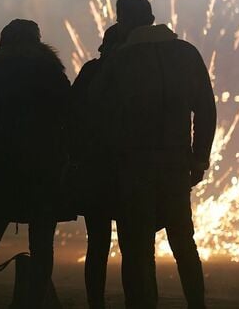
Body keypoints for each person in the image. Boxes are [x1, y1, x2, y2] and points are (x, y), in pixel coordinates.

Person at [89, 0, 216, 309]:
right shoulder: (186, 53)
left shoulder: (122, 60)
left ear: (124, 22)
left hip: (134, 167)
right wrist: (199, 157)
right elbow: (206, 109)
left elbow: (95, 108)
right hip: (176, 164)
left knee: (137, 249)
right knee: (184, 243)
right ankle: (197, 304)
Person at [0, 19, 72, 308]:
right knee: (43, 245)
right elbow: (70, 121)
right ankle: (33, 303)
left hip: (8, 168)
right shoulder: (52, 74)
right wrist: (61, 158)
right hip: (45, 169)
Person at [67, 18, 138, 309]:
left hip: (94, 170)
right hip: (127, 171)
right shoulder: (136, 74)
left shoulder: (91, 71)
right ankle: (136, 301)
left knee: (96, 244)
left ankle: (95, 302)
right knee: (132, 246)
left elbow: (71, 114)